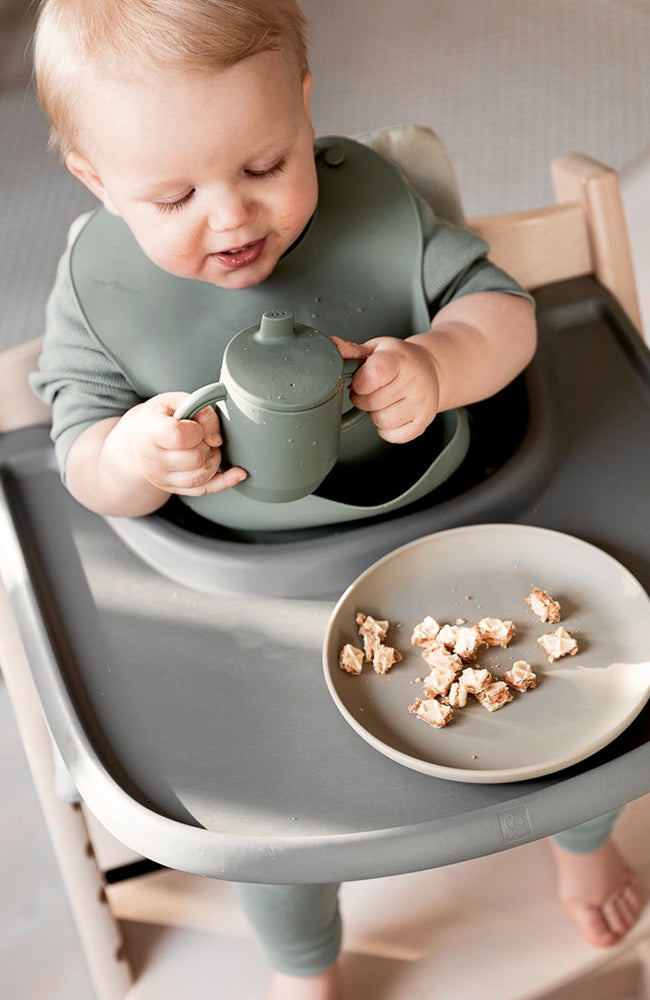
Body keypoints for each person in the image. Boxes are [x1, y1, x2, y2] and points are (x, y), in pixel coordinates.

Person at [29, 1, 639, 997]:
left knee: (575, 709)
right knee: (267, 813)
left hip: (454, 522)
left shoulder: (375, 203)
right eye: (174, 193)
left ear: (304, 111)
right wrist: (135, 455)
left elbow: (504, 313)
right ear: (96, 181)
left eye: (265, 165)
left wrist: (440, 363)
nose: (230, 217)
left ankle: (578, 841)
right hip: (251, 588)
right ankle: (304, 959)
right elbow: (78, 460)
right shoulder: (101, 292)